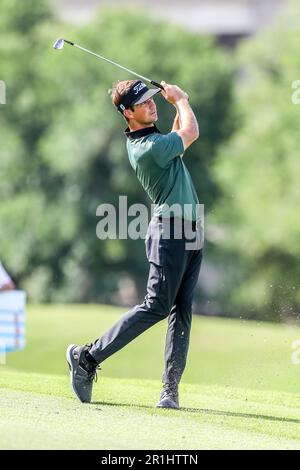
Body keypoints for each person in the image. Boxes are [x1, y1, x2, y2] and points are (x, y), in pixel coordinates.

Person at [67, 79, 203, 409]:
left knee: (180, 312)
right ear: (127, 113)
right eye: (143, 104)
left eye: (152, 100)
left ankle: (169, 391)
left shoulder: (156, 141)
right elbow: (191, 132)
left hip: (191, 230)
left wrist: (174, 106)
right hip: (169, 232)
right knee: (157, 306)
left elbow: (179, 136)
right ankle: (87, 356)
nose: (151, 104)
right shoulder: (148, 148)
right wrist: (181, 100)